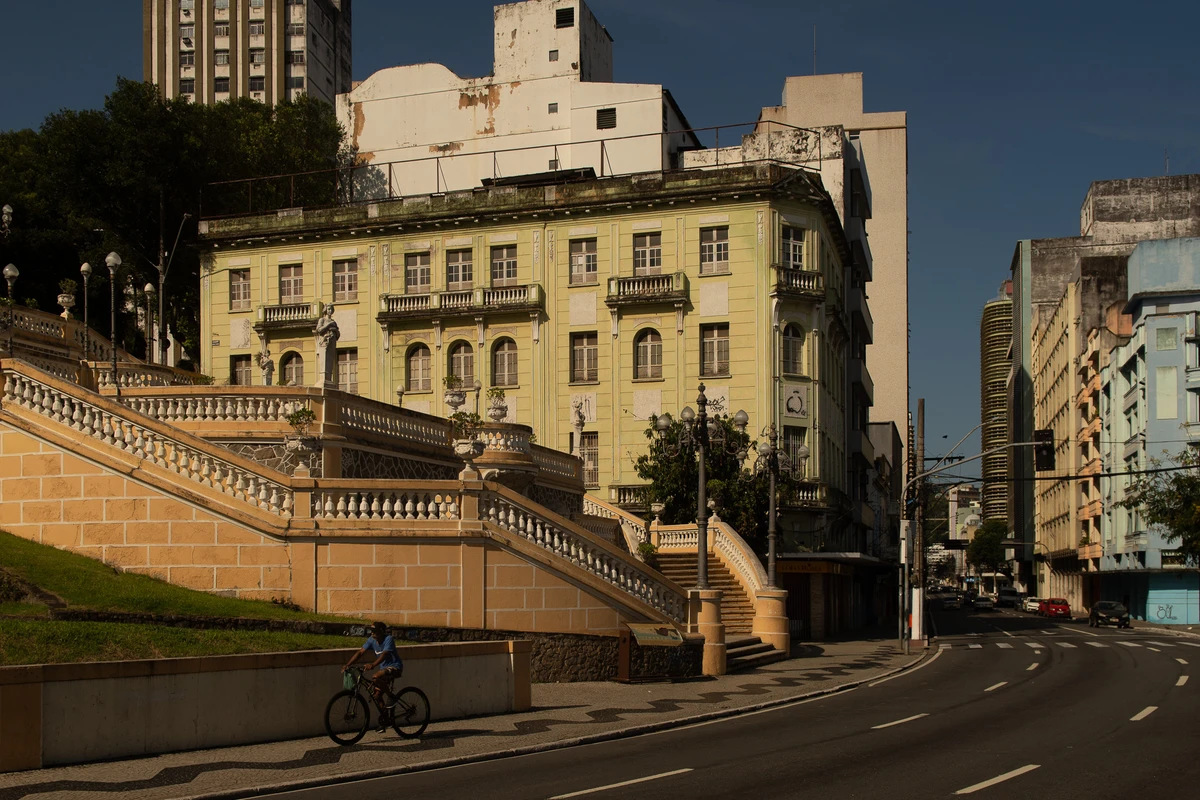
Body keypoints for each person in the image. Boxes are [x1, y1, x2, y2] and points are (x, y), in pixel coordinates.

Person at [343, 621, 403, 730]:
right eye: (371, 631)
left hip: (395, 667)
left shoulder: (388, 639)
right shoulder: (372, 640)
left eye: (374, 631)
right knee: (377, 696)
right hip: (383, 670)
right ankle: (386, 720)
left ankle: (392, 697)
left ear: (381, 631)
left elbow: (385, 655)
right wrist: (348, 664)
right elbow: (360, 652)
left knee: (375, 677)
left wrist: (373, 665)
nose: (372, 633)